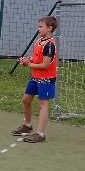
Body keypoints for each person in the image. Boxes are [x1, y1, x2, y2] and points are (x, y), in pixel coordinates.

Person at [12, 15, 59, 143]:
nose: (38, 29)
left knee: (43, 104)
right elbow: (36, 58)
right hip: (36, 77)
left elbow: (45, 65)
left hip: (46, 79)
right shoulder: (39, 41)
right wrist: (27, 60)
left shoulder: (50, 45)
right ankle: (27, 126)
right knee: (26, 100)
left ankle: (40, 134)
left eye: (41, 26)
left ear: (50, 28)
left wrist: (29, 64)